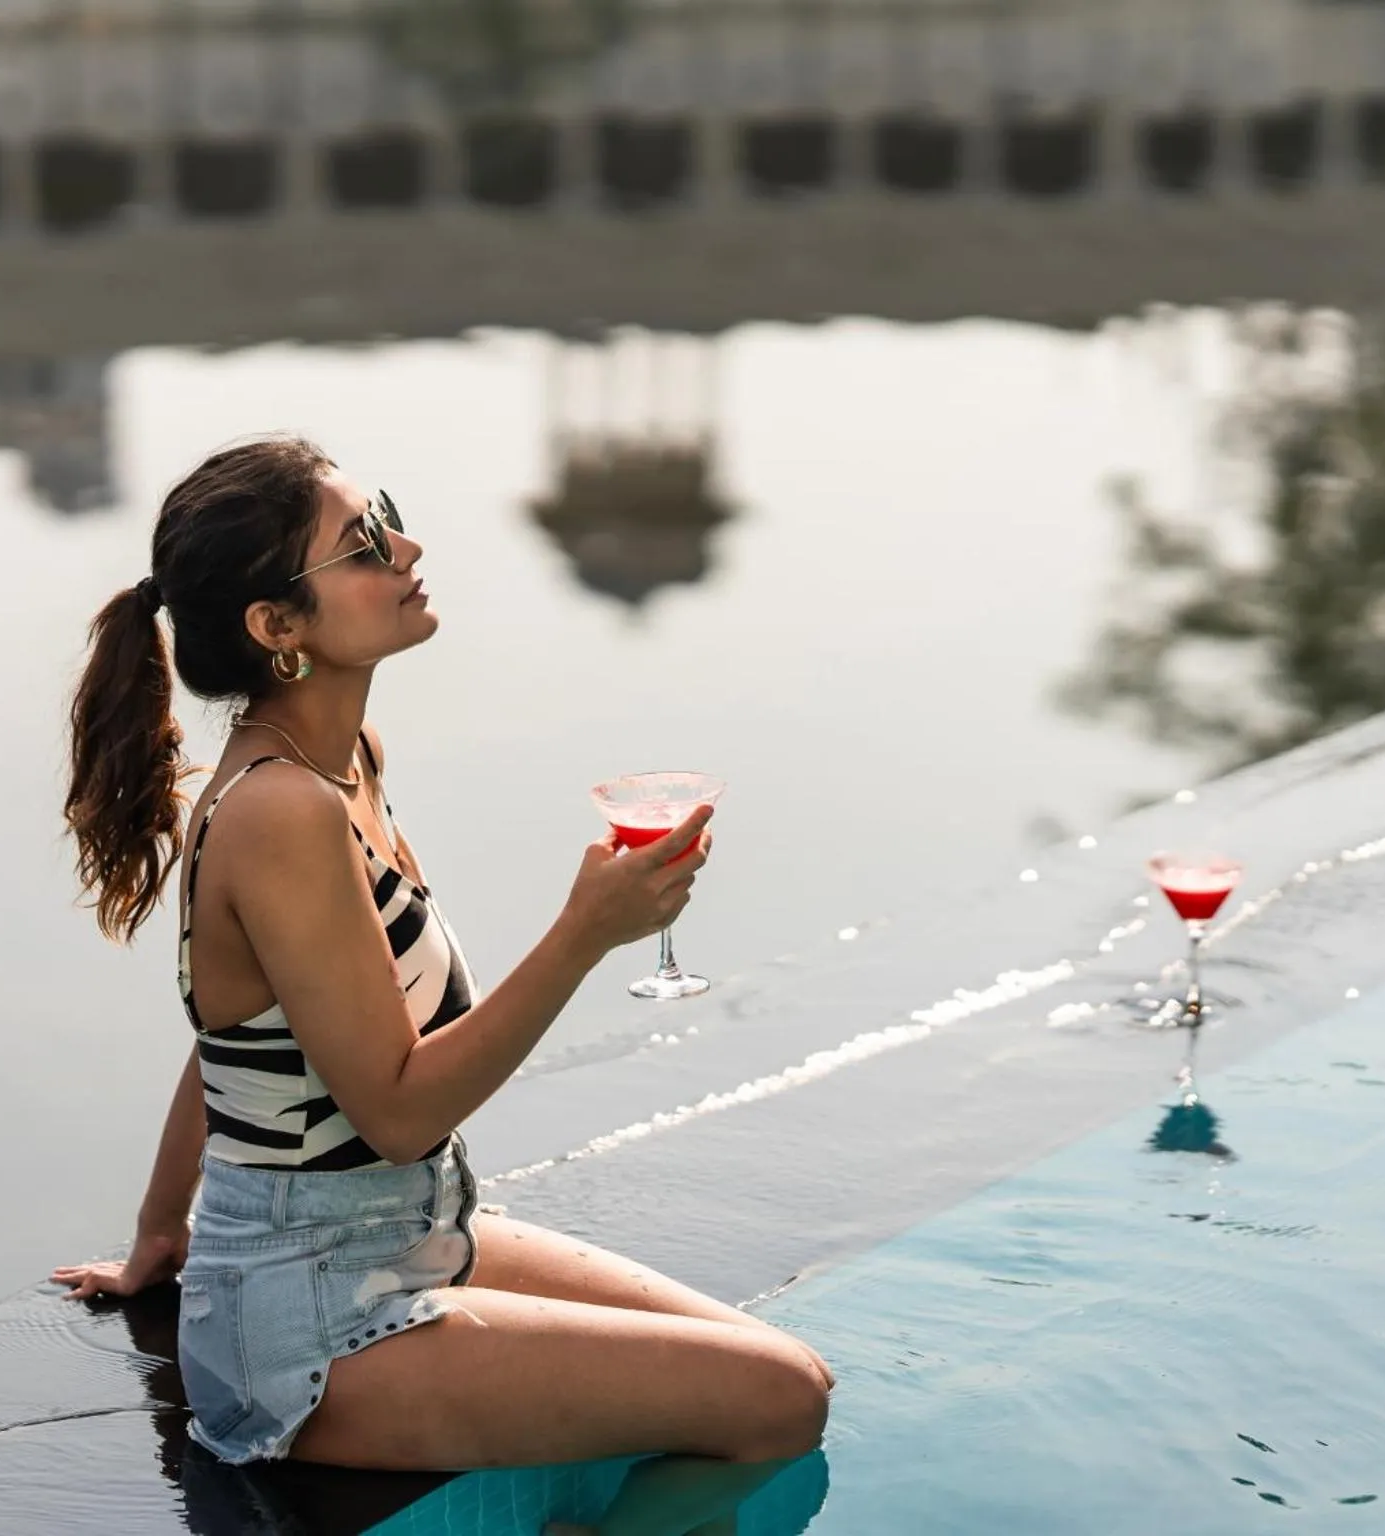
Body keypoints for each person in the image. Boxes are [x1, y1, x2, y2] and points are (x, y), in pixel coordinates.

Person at [50, 437, 832, 1536]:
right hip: (305, 1329)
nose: (407, 548)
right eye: (362, 545)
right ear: (277, 629)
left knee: (783, 1374)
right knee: (775, 1405)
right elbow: (401, 1109)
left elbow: (242, 1042)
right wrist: (583, 935)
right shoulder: (281, 811)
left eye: (389, 519)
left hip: (406, 1233)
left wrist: (158, 1230)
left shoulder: (345, 758)